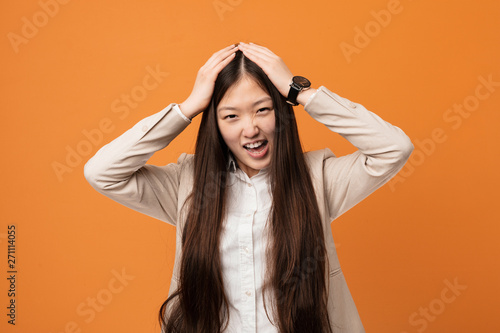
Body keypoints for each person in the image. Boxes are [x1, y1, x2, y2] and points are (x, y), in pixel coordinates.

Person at [84, 42, 414, 333]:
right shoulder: (188, 186)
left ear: (281, 111)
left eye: (262, 110)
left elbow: (393, 148)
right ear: (214, 123)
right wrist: (186, 109)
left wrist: (301, 92)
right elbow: (102, 172)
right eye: (231, 116)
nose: (251, 128)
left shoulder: (318, 180)